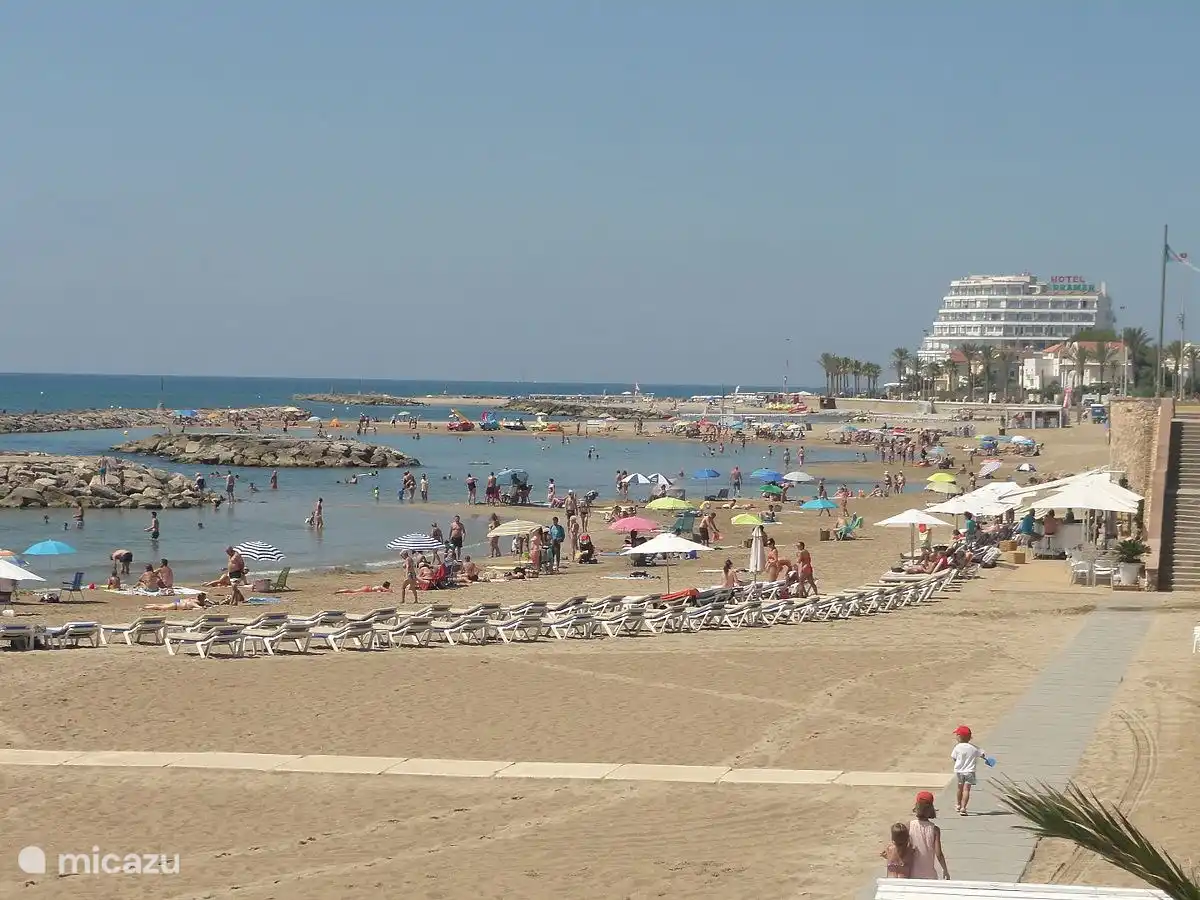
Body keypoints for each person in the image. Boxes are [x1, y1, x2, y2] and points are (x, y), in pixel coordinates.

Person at [908, 791, 950, 880]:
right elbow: (939, 854)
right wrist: (945, 870)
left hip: (912, 873)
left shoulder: (909, 826)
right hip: (929, 874)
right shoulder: (935, 830)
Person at [951, 725, 988, 815]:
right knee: (966, 790)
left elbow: (954, 757)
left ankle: (958, 805)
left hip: (960, 771)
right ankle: (963, 808)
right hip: (970, 772)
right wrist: (986, 759)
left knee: (959, 788)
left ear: (959, 737)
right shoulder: (973, 748)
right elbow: (982, 754)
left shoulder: (957, 747)